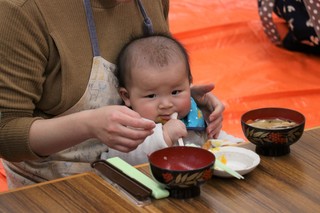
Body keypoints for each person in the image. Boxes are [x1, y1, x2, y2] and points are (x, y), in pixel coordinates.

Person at [0, 0, 224, 189]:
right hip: (58, 190)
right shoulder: (21, 10)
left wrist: (183, 101)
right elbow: (5, 132)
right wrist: (88, 125)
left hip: (147, 182)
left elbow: (150, 68)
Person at [105, 34, 207, 164]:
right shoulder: (129, 125)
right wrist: (165, 136)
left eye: (175, 92)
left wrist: (234, 145)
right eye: (151, 96)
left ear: (189, 83)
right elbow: (122, 157)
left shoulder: (193, 115)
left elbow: (213, 139)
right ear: (126, 96)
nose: (166, 104)